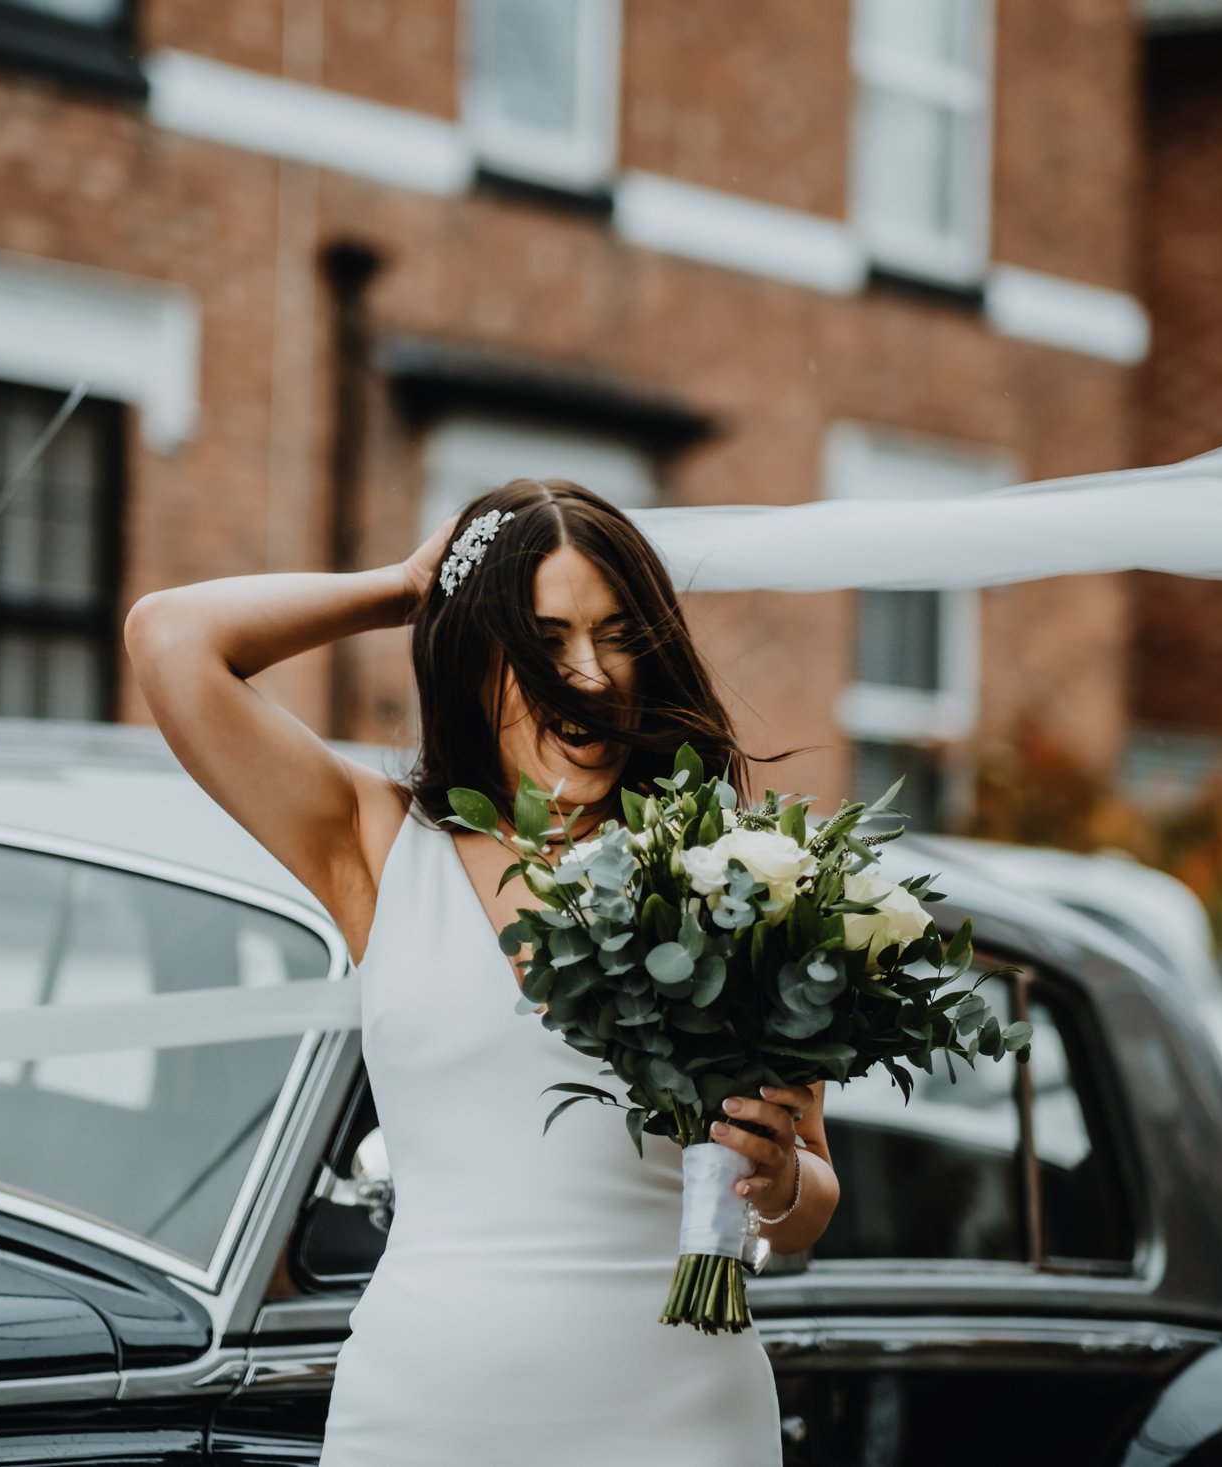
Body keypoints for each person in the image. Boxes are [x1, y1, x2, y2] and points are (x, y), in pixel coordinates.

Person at [126, 477, 840, 1465]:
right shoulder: (377, 847)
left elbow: (810, 1197)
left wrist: (774, 1183)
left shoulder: (730, 876)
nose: (586, 673)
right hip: (423, 1416)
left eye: (616, 634)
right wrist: (406, 587)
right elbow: (170, 640)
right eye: (543, 640)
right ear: (475, 658)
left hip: (675, 1419)